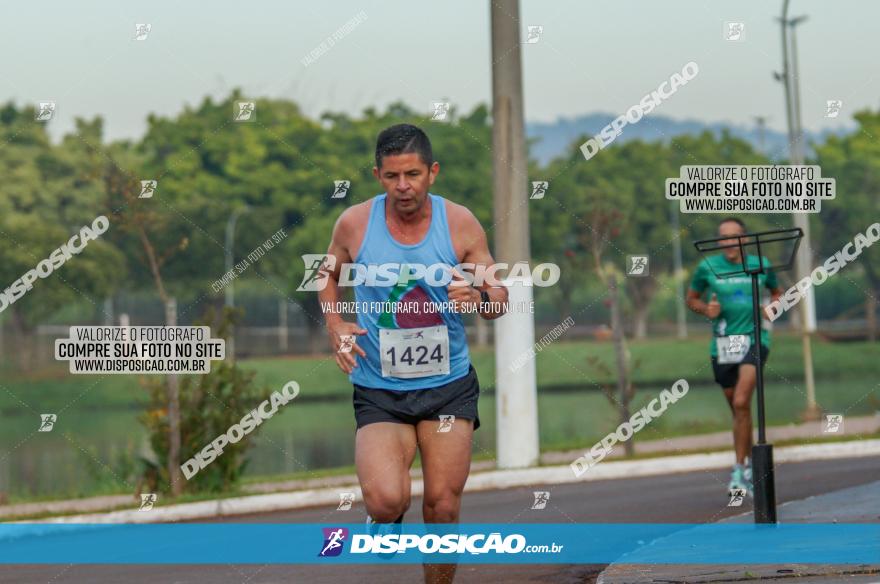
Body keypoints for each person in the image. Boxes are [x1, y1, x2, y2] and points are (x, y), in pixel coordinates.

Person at [318, 123, 508, 583]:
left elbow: (498, 296)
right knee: (386, 499)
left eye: (413, 174)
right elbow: (326, 275)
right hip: (380, 388)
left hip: (448, 388)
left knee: (443, 506)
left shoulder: (459, 223)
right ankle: (386, 521)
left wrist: (479, 299)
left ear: (432, 172)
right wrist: (336, 323)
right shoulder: (354, 224)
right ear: (377, 175)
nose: (403, 186)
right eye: (391, 176)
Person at [685, 217, 782, 498]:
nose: (728, 242)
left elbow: (777, 293)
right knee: (738, 410)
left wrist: (773, 308)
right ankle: (750, 465)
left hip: (754, 339)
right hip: (724, 345)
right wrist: (707, 310)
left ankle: (738, 470)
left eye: (734, 236)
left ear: (745, 239)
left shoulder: (760, 264)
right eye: (723, 237)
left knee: (742, 401)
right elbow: (691, 299)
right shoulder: (707, 267)